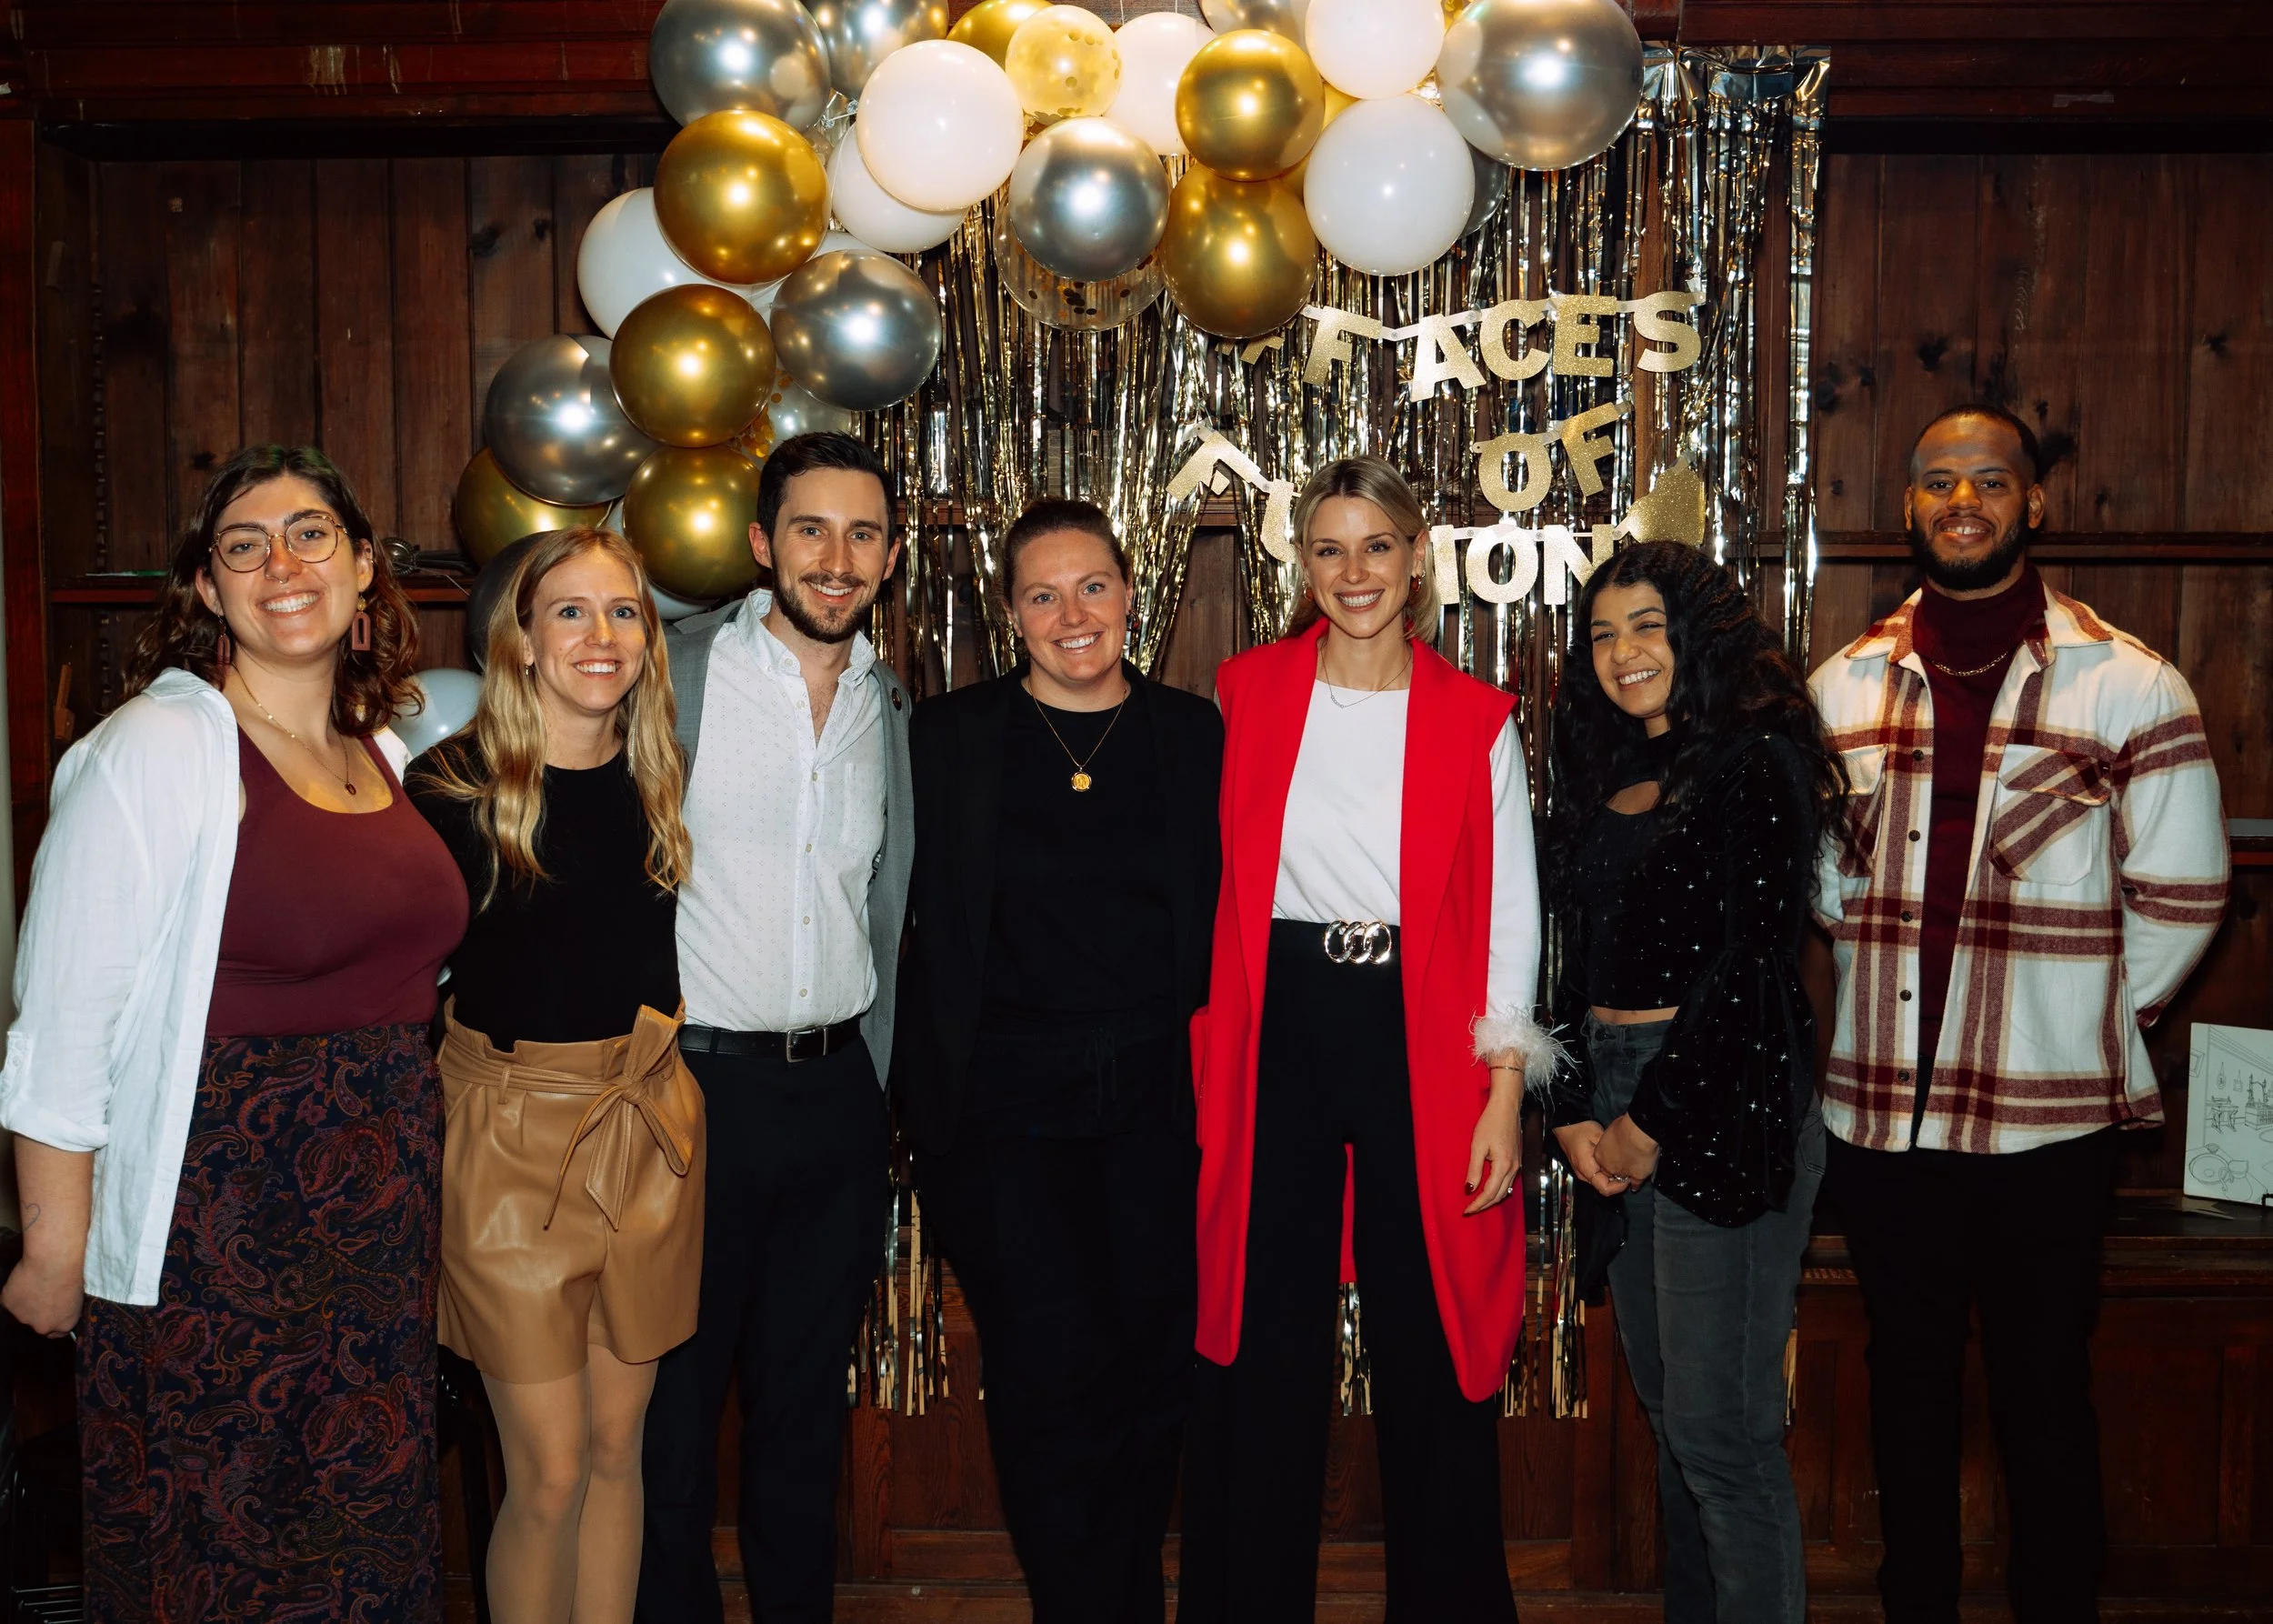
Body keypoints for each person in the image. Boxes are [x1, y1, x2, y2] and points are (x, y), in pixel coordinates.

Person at [0, 446, 466, 1620]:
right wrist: (56, 1254)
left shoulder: (381, 750)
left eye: (311, 534)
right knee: (225, 1555)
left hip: (376, 1230)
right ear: (208, 589)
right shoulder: (153, 750)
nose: (282, 565)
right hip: (217, 1230)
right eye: (244, 547)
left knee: (362, 1545)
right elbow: (61, 1027)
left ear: (365, 564)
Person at [1810, 405, 2229, 1623]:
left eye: (1988, 481)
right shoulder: (1842, 685)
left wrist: (2072, 1019)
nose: (1963, 502)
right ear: (1908, 505)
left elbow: (2186, 892)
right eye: (1939, 482)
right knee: (1907, 1392)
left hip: (2051, 1125)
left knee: (2045, 1390)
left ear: (2033, 502)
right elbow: (1824, 884)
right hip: (1885, 1120)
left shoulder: (2131, 683)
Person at [1179, 456, 1557, 1624]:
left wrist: (1504, 1086)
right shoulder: (1244, 692)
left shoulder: (1476, 717)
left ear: (1416, 559)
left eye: (1377, 546)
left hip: (1425, 1038)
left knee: (1430, 1338)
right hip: (1277, 1028)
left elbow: (1511, 910)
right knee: (1262, 1340)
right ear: (1303, 564)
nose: (1355, 573)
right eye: (1330, 549)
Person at [895, 499, 1222, 1624]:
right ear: (1010, 614)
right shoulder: (946, 738)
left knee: (1153, 1373)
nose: (1072, 614)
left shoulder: (1194, 736)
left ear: (1130, 592)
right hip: (1001, 1114)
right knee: (1046, 1380)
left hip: (1161, 1108)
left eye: (1092, 586)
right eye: (1042, 594)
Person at [1542, 539, 1848, 1624]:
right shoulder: (1603, 773)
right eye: (1601, 633)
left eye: (1646, 625)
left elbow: (1749, 967)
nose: (1622, 651)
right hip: (1611, 1091)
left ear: (1699, 633)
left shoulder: (1755, 763)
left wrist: (1648, 1120)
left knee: (1723, 1431)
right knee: (1674, 1418)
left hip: (1719, 1094)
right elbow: (1570, 961)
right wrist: (1569, 1108)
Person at [636, 432, 913, 1624]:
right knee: (674, 1415)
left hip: (838, 1097)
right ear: (762, 543)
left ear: (890, 557)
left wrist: (881, 1087)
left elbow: (888, 902)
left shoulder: (889, 708)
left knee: (804, 1416)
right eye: (810, 528)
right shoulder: (671, 673)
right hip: (693, 1094)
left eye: (862, 534)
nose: (835, 557)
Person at [407, 527, 703, 1624]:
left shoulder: (664, 772)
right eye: (569, 611)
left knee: (620, 1447)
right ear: (521, 639)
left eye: (623, 610)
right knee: (547, 1469)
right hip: (508, 1143)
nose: (600, 634)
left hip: (647, 1123)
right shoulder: (450, 788)